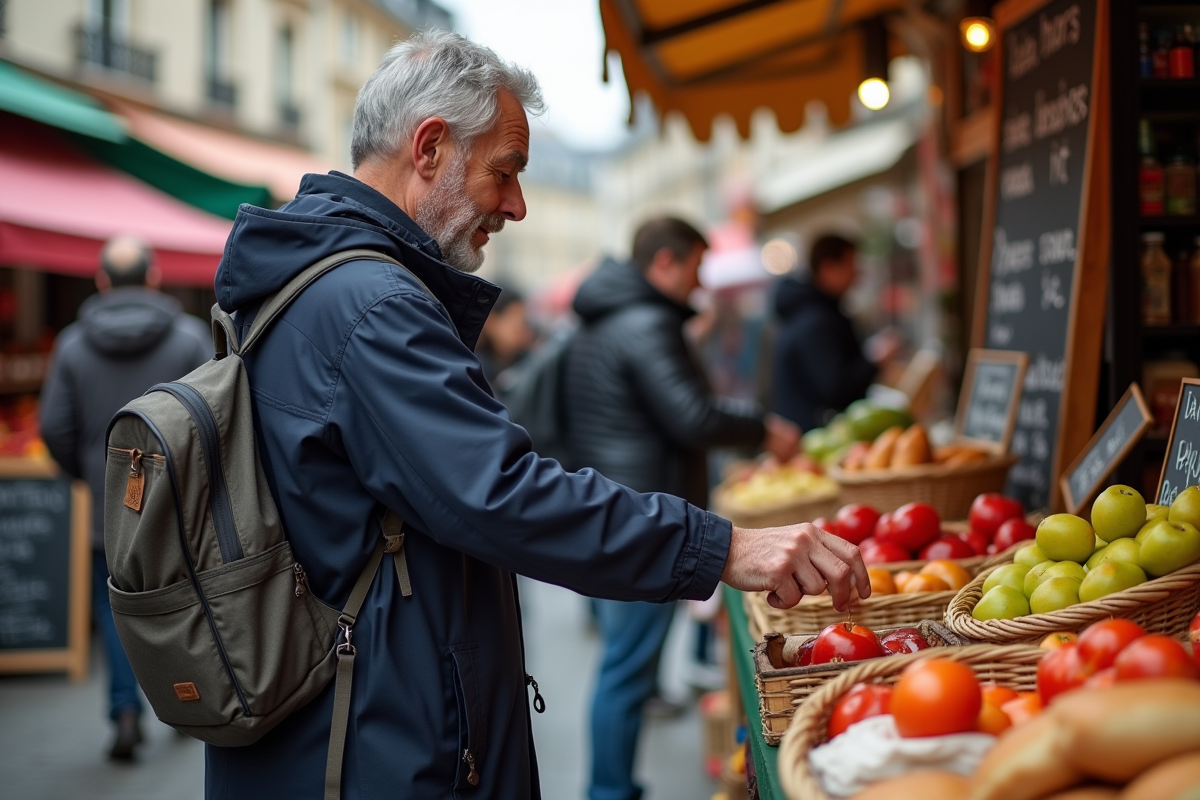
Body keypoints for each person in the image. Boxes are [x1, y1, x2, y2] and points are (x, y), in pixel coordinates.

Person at [202, 31, 868, 799]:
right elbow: (502, 493)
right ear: (429, 149)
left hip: (350, 724)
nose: (515, 205)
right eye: (506, 172)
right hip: (377, 743)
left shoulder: (325, 285)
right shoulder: (372, 306)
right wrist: (721, 548)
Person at [563, 218, 801, 800]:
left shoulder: (605, 322)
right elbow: (691, 414)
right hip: (643, 517)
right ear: (665, 263)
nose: (699, 285)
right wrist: (762, 427)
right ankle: (609, 791)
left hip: (616, 509)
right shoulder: (646, 323)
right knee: (626, 672)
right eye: (694, 268)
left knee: (623, 668)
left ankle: (610, 788)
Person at [39, 236, 211, 760]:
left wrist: (94, 477)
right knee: (183, 605)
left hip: (107, 513)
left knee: (113, 609)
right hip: (179, 502)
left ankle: (126, 713)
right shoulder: (188, 337)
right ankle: (187, 702)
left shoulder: (71, 344)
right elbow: (214, 414)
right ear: (155, 277)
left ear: (102, 281)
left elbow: (55, 427)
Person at [769, 234, 897, 430]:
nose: (856, 275)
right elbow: (835, 388)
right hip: (815, 437)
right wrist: (874, 361)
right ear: (828, 268)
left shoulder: (811, 311)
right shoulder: (816, 320)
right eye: (850, 266)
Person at [475, 287, 533, 385]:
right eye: (513, 318)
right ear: (491, 321)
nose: (520, 325)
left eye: (522, 318)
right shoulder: (476, 367)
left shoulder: (528, 362)